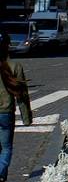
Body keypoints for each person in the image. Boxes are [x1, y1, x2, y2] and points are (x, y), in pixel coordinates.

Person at [0, 33, 31, 181]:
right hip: (6, 113)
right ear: (8, 46)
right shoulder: (15, 66)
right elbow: (22, 95)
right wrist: (26, 118)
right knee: (6, 148)